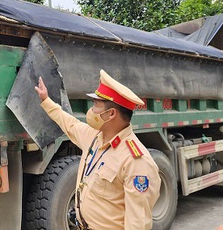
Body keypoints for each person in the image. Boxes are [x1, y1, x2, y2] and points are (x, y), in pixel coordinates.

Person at [34, 69, 160, 230]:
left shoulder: (136, 161)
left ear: (111, 113)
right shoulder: (95, 137)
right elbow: (70, 124)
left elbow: (137, 223)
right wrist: (46, 100)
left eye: (95, 105)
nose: (91, 110)